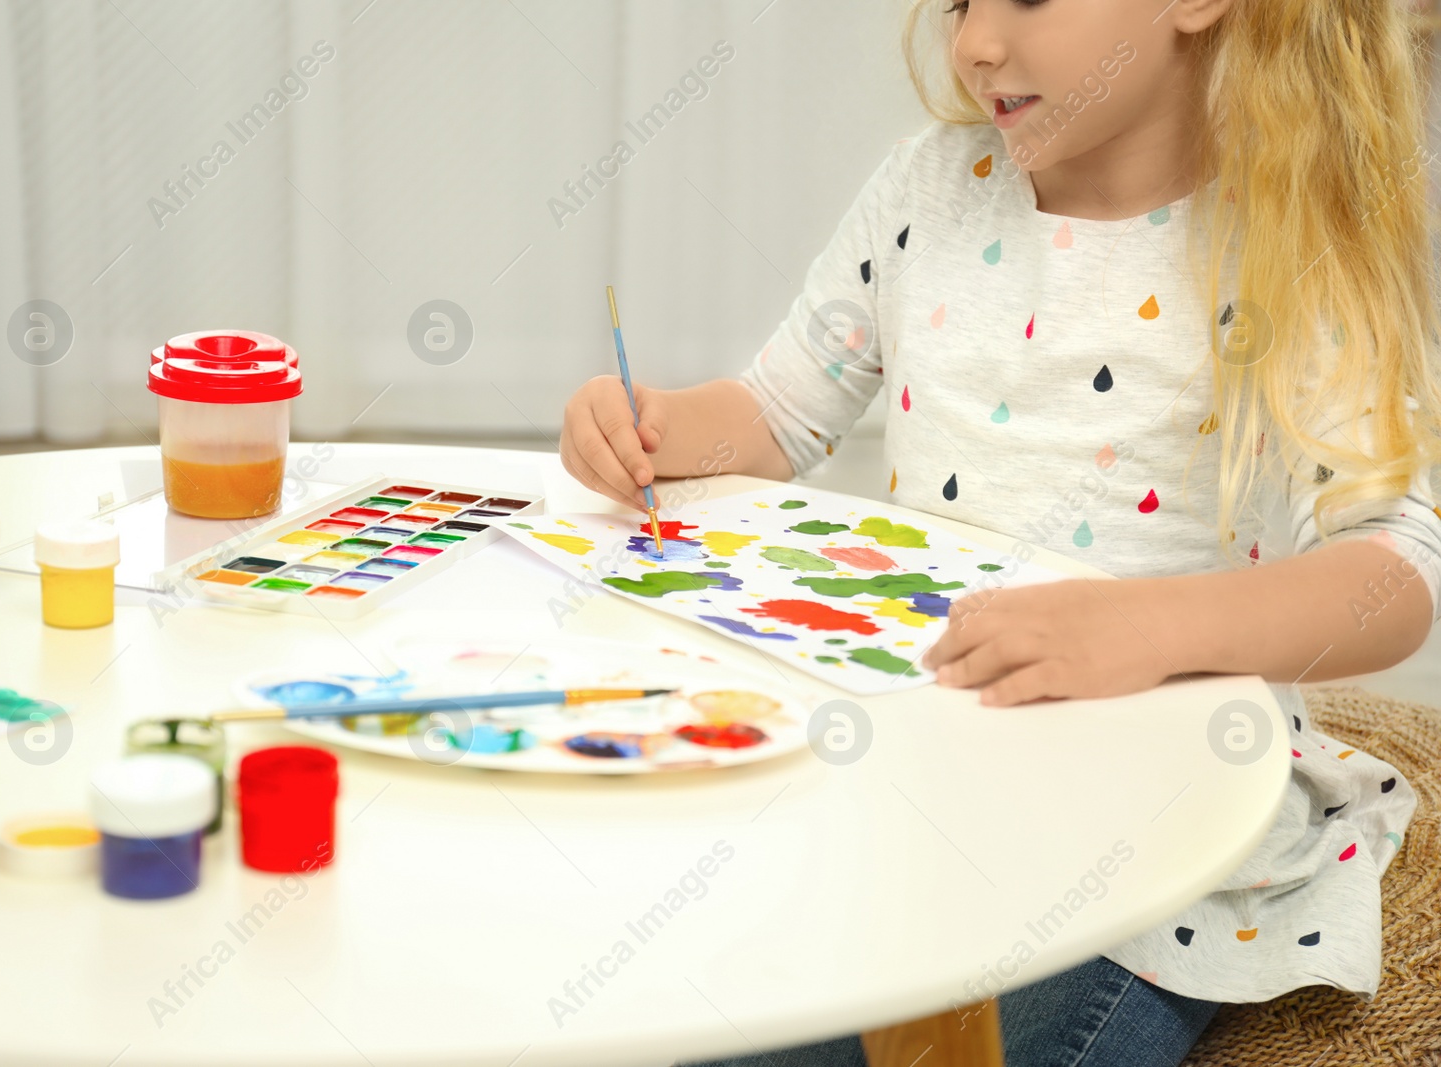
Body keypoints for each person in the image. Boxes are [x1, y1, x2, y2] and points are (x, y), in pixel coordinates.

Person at [558, 0, 1440, 1063]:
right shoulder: (925, 189)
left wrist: (1140, 627)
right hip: (927, 770)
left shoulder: (1286, 233)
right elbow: (778, 415)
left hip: (1159, 826)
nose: (974, 42)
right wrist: (651, 426)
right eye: (960, 2)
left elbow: (1390, 575)